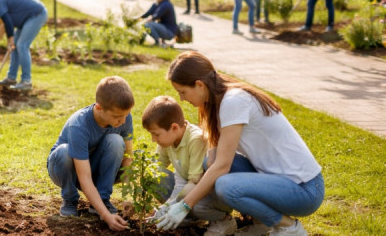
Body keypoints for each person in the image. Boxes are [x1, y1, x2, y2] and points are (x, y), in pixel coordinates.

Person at [157, 51, 324, 236]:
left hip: (305, 190)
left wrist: (185, 205)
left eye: (182, 91)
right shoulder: (216, 102)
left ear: (199, 85)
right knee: (208, 164)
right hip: (278, 180)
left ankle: (289, 228)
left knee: (227, 186)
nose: (181, 98)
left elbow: (222, 167)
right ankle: (262, 223)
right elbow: (213, 160)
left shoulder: (233, 101)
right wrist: (177, 199)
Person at [47, 76, 134, 231]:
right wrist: (107, 217)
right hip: (65, 169)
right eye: (116, 116)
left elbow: (127, 158)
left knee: (116, 141)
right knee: (64, 152)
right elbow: (84, 177)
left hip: (93, 168)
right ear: (99, 107)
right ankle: (70, 199)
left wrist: (128, 196)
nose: (122, 121)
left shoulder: (124, 118)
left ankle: (101, 199)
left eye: (125, 115)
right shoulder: (79, 125)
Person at [143, 96, 236, 235]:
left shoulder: (196, 140)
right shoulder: (167, 141)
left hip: (210, 195)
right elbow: (155, 167)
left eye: (156, 134)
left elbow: (195, 182)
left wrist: (170, 205)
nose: (153, 140)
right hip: (187, 188)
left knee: (195, 207)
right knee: (151, 176)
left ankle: (224, 219)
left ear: (174, 127)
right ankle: (188, 218)